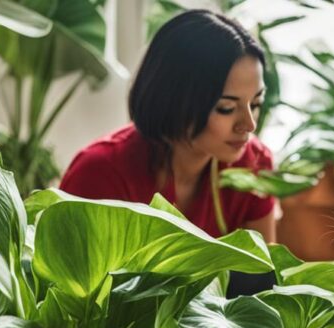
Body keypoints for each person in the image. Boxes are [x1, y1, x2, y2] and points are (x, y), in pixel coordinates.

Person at [59, 9, 276, 241]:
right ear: (176, 99)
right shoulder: (101, 173)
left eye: (255, 103)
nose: (249, 125)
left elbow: (262, 273)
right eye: (226, 108)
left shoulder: (254, 164)